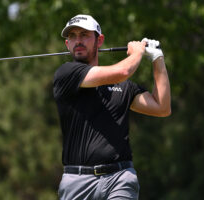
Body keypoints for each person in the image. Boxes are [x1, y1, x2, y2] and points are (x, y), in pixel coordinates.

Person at [53, 14, 171, 200]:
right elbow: (123, 71)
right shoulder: (66, 74)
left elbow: (162, 107)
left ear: (99, 41)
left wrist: (157, 58)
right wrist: (137, 52)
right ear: (67, 44)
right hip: (77, 182)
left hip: (119, 178)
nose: (78, 41)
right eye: (73, 37)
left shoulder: (124, 87)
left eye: (84, 35)